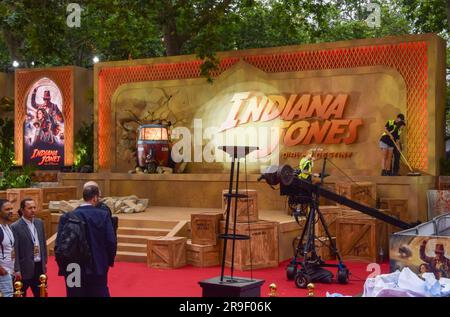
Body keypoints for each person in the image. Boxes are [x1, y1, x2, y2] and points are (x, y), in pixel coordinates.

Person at [57, 185, 116, 297]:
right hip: (97, 265)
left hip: (72, 267)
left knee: (73, 294)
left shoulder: (67, 216)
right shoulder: (103, 215)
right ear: (95, 198)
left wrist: (63, 266)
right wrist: (107, 261)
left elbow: (59, 245)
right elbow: (111, 241)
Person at [11, 199, 47, 297]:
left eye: (34, 207)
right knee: (20, 294)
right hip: (24, 268)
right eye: (30, 208)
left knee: (41, 293)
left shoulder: (39, 223)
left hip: (39, 266)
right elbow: (15, 249)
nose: (33, 210)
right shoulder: (15, 227)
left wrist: (45, 262)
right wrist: (16, 269)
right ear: (22, 210)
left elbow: (43, 243)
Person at [0, 199, 15, 297]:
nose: (11, 211)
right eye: (7, 209)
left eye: (11, 209)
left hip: (10, 271)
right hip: (2, 273)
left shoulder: (7, 227)